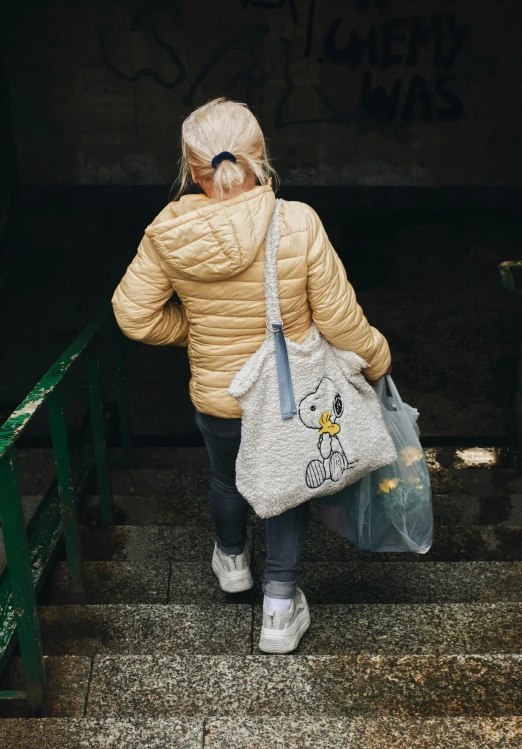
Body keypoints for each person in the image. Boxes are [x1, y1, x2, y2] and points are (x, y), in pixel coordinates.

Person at [112, 98, 391, 653]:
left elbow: (133, 314)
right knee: (285, 490)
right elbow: (339, 319)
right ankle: (280, 612)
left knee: (226, 478)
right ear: (261, 159)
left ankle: (233, 562)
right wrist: (378, 357)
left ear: (192, 170)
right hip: (289, 398)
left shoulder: (166, 233)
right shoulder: (297, 222)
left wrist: (193, 332)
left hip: (218, 397)